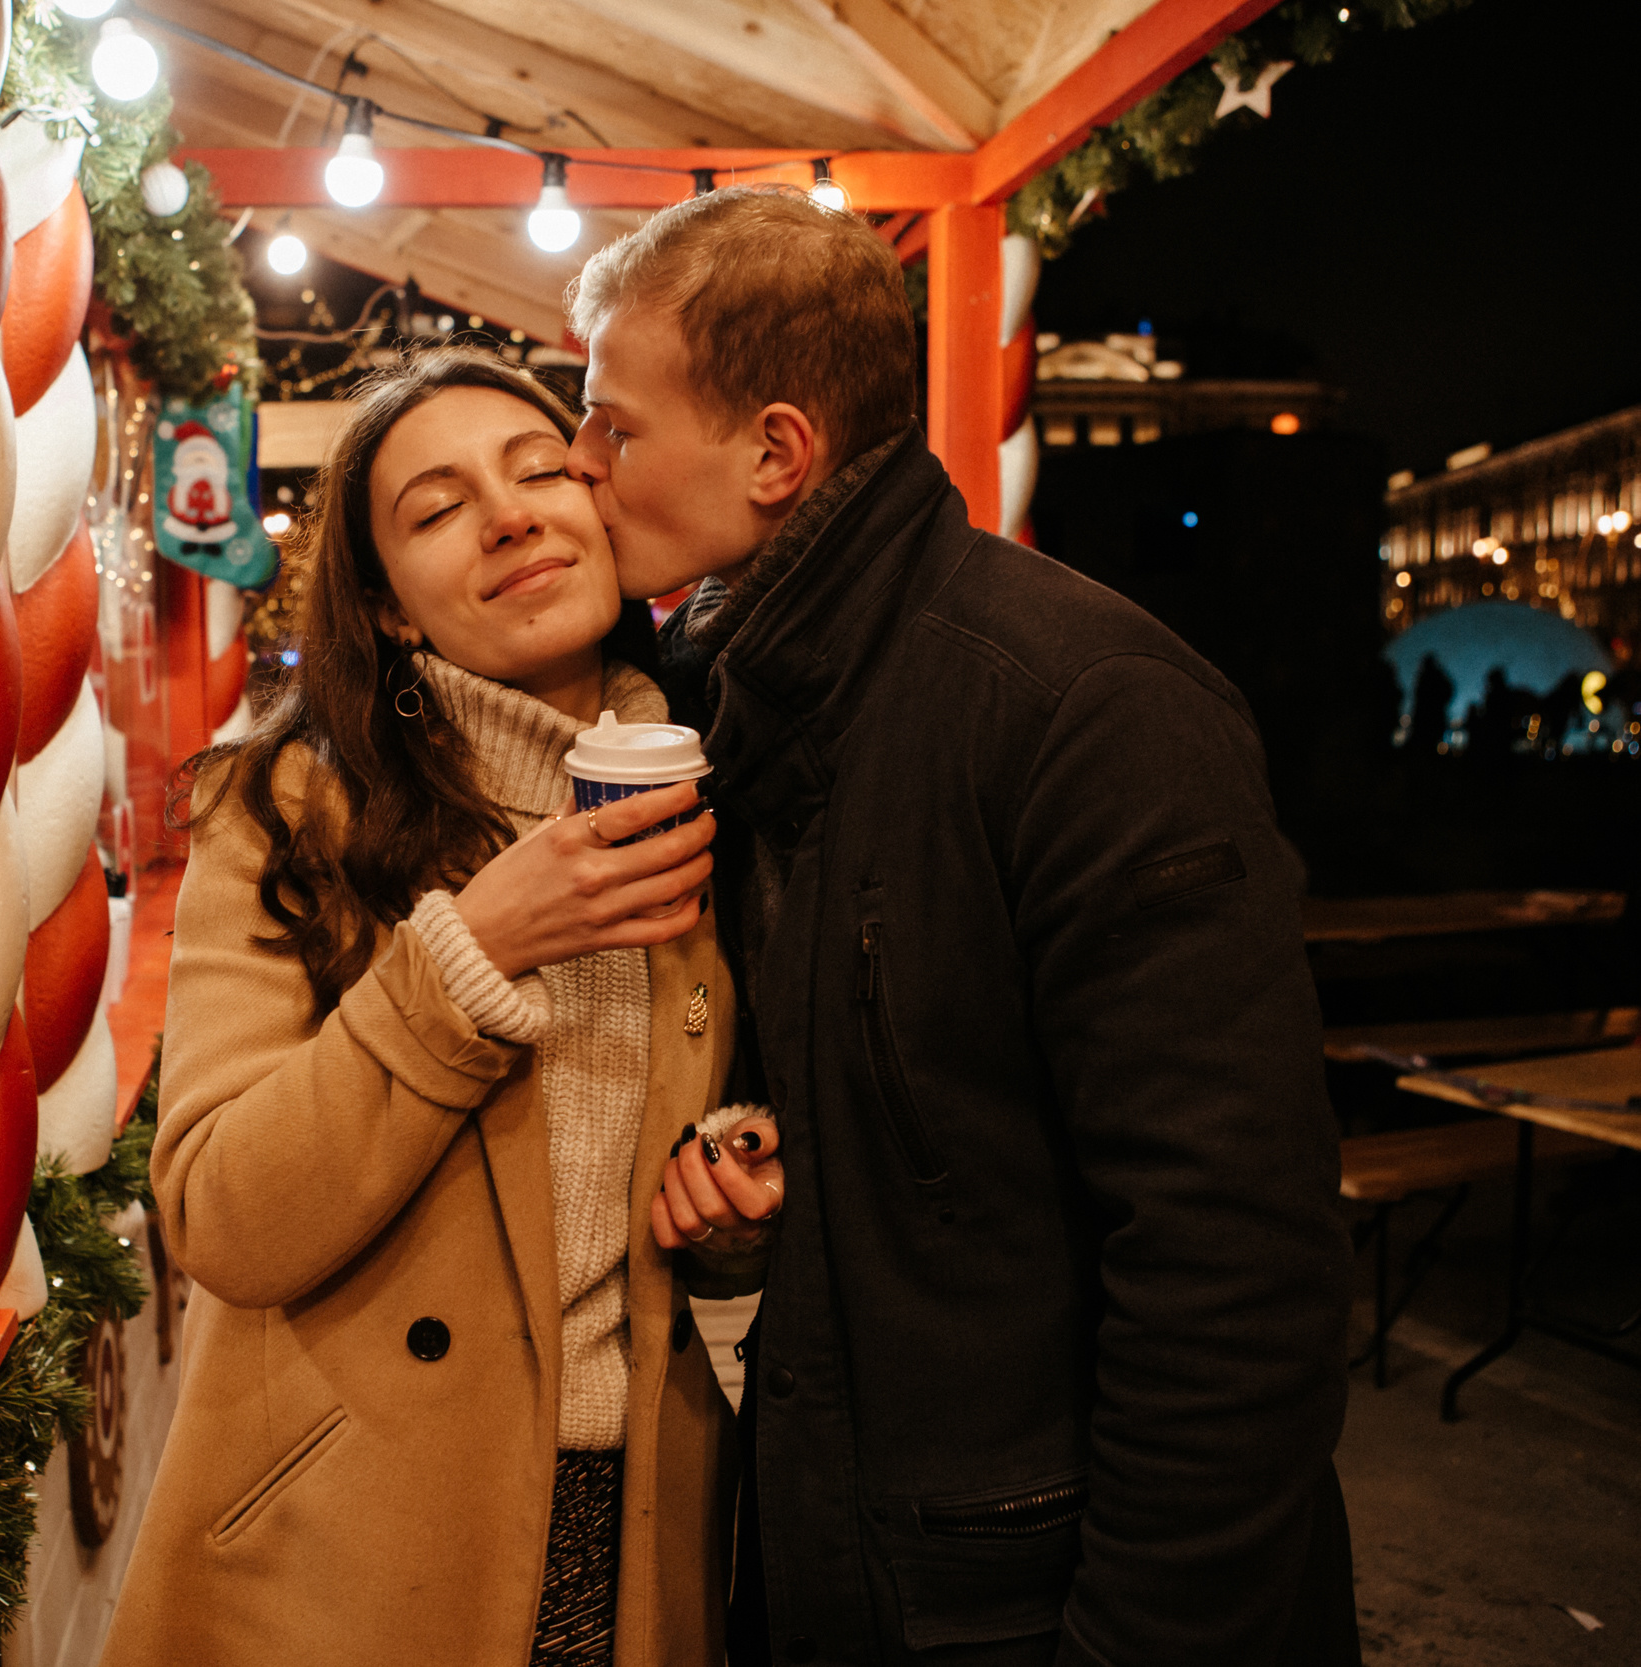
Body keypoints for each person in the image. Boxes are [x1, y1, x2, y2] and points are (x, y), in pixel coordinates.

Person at [567, 188, 1358, 1667]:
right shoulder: (726, 704)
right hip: (864, 1567)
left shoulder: (1086, 711)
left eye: (614, 424)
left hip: (1036, 1600)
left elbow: (1236, 1277)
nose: (578, 461)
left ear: (776, 452)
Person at [102, 348, 774, 1667]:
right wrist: (471, 951)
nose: (510, 516)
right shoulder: (288, 811)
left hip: (642, 1523)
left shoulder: (720, 789)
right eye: (438, 508)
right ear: (389, 607)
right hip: (358, 1538)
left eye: (542, 472)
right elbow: (221, 1216)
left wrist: (736, 1206)